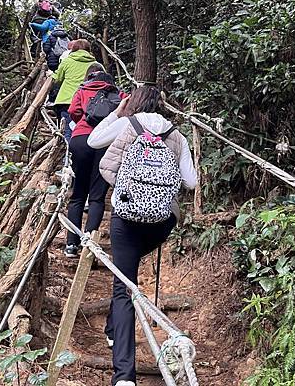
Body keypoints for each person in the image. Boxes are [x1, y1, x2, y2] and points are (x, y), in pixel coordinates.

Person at [87, 86, 197, 386]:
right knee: (128, 273)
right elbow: (190, 181)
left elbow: (98, 152)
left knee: (123, 287)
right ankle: (113, 329)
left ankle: (124, 376)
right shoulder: (177, 136)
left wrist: (128, 188)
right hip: (161, 223)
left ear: (133, 103)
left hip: (126, 221)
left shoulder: (129, 124)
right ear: (162, 106)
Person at [64, 67, 123, 257]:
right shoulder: (119, 93)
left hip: (81, 138)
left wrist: (84, 119)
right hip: (106, 143)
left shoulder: (82, 90)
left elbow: (73, 111)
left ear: (90, 78)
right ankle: (88, 242)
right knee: (97, 197)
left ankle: (71, 244)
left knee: (78, 194)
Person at [51, 39, 97, 142]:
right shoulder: (95, 64)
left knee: (68, 129)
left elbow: (57, 79)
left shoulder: (67, 61)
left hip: (66, 100)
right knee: (85, 130)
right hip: (87, 101)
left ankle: (68, 155)